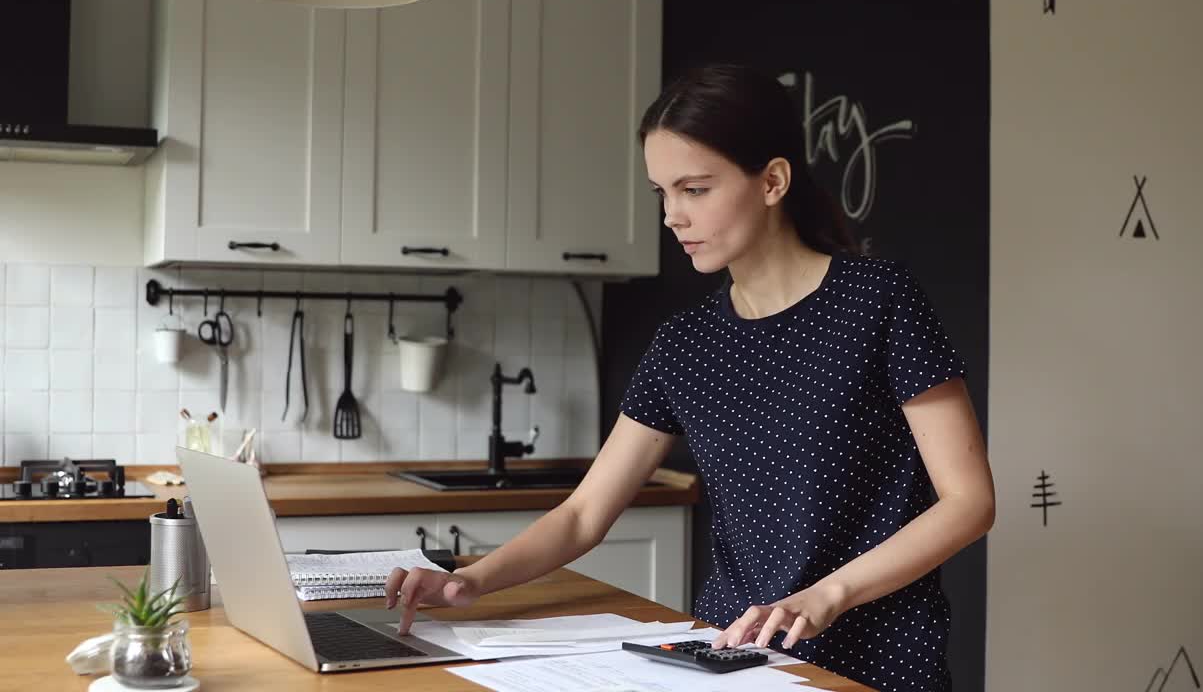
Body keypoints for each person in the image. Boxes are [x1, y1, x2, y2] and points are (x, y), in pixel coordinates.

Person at [385, 63, 994, 692]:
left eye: (694, 189)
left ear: (773, 181)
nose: (673, 215)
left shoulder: (878, 302)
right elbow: (584, 514)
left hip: (878, 667)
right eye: (662, 193)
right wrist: (469, 580)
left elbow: (968, 502)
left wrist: (826, 596)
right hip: (733, 661)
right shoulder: (685, 343)